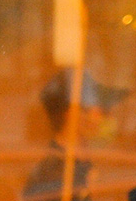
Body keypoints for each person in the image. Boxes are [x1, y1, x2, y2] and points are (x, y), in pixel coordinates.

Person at [22, 69, 128, 201]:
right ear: (71, 113)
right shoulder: (54, 173)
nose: (100, 116)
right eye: (93, 108)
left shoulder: (82, 161)